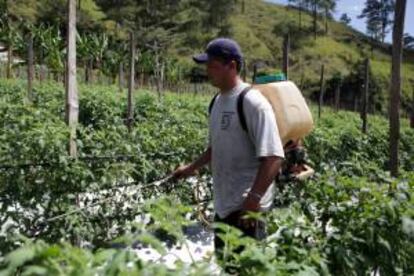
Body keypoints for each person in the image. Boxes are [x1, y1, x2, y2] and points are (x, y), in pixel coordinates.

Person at [172, 38, 285, 260]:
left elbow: (274, 157)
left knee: (247, 269)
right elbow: (217, 148)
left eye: (212, 65)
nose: (207, 71)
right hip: (224, 206)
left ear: (231, 66)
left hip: (246, 210)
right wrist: (190, 168)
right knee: (227, 266)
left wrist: (253, 200)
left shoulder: (252, 102)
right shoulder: (216, 102)